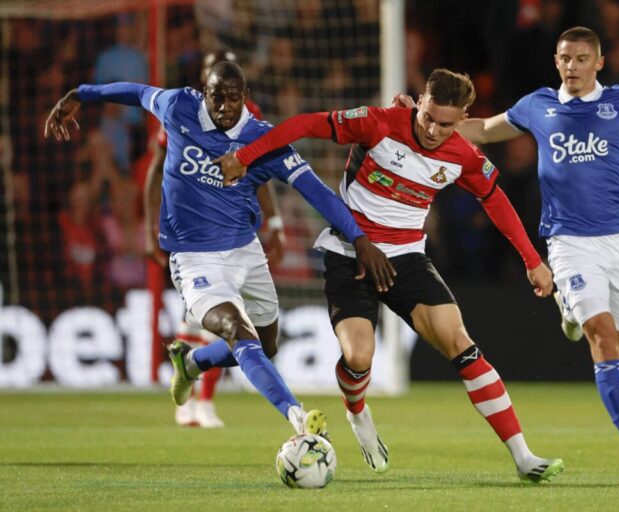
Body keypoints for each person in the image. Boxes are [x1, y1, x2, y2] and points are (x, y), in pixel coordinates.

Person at [215, 68, 564, 483]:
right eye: (428, 117)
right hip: (350, 252)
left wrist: (532, 260)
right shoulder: (378, 123)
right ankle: (357, 411)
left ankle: (523, 456)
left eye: (445, 124)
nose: (433, 130)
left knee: (462, 344)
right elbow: (305, 124)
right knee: (359, 356)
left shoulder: (463, 156)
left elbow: (496, 200)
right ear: (420, 102)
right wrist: (245, 156)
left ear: (462, 119)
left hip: (408, 259)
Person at [44, 61, 396, 441]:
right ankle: (297, 418)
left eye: (233, 98)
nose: (225, 107)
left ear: (245, 97)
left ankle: (192, 361)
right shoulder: (179, 106)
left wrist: (358, 238)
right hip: (195, 258)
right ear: (204, 94)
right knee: (235, 329)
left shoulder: (263, 140)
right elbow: (138, 93)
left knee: (267, 345)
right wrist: (81, 94)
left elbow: (315, 191)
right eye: (217, 98)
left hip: (246, 251)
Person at [454, 26, 619, 473]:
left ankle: (568, 310)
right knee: (601, 333)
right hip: (568, 242)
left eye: (582, 59)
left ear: (599, 62)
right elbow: (481, 129)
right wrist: (427, 121)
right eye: (565, 58)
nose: (572, 66)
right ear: (556, 61)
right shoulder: (537, 105)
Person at [144, 49, 284, 428]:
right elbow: (158, 168)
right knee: (201, 319)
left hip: (233, 232)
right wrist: (149, 229)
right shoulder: (182, 112)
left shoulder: (249, 116)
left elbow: (260, 174)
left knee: (229, 321)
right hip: (190, 233)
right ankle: (191, 396)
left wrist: (274, 223)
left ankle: (203, 401)